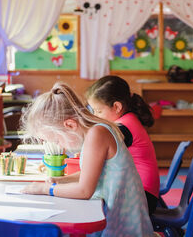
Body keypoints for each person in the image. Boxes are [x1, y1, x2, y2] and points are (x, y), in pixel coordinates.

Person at [21, 82, 154, 237]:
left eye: (57, 140)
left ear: (70, 125)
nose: (60, 145)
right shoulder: (95, 131)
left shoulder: (97, 134)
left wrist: (45, 190)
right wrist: (61, 180)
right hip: (118, 215)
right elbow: (92, 173)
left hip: (125, 225)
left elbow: (84, 191)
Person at [86, 75, 160, 215]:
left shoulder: (123, 128)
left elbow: (98, 163)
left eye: (99, 111)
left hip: (141, 198)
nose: (95, 116)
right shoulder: (128, 119)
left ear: (117, 107)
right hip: (143, 192)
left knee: (88, 198)